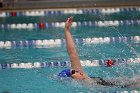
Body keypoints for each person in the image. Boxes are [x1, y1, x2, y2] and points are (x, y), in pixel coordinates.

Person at [58, 16, 118, 87]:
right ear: (71, 79)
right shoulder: (81, 84)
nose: (77, 71)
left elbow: (72, 52)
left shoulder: (82, 76)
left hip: (109, 83)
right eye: (74, 72)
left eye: (75, 70)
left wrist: (67, 30)